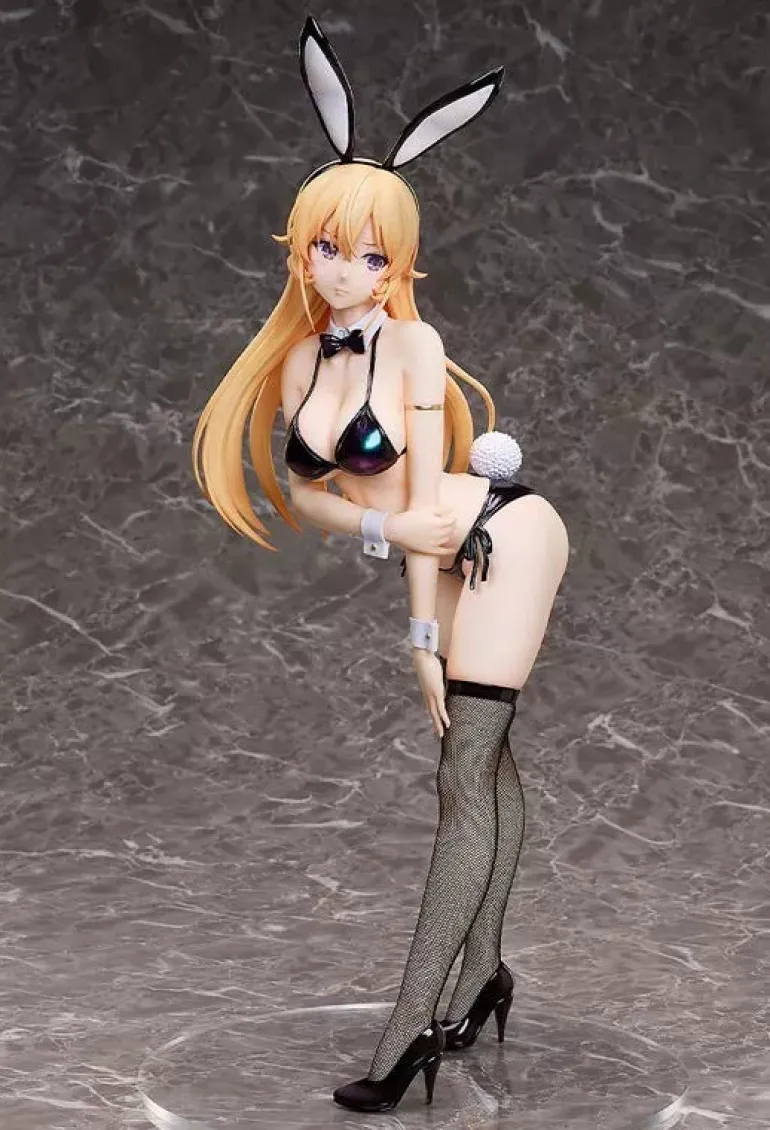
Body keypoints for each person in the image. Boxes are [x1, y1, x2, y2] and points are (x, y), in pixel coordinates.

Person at [193, 16, 570, 1115]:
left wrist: (419, 629)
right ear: (299, 247)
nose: (347, 270)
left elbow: (420, 495)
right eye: (328, 247)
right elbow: (312, 496)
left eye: (372, 255)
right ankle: (485, 972)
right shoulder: (301, 359)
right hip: (431, 543)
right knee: (483, 769)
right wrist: (386, 540)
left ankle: (407, 1033)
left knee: (461, 774)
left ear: (398, 265)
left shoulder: (411, 344)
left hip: (495, 535)